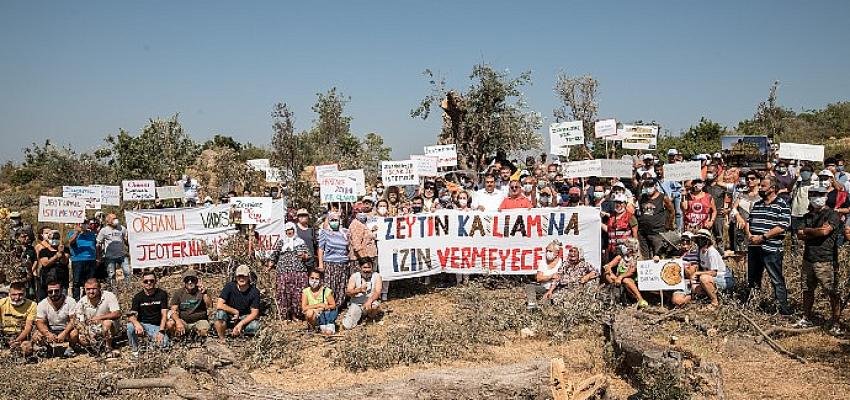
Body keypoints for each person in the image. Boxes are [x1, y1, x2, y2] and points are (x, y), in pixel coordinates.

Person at [794, 186, 842, 334]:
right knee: (807, 289)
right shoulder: (807, 217)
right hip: (808, 258)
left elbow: (825, 231)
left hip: (826, 260)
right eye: (814, 194)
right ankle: (806, 317)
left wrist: (809, 232)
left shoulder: (832, 214)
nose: (817, 197)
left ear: (826, 196)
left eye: (820, 194)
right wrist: (815, 232)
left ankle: (836, 321)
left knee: (831, 291)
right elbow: (799, 234)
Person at [745, 176, 792, 317]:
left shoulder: (782, 205)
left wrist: (763, 237)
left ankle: (782, 311)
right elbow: (749, 221)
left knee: (776, 279)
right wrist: (750, 235)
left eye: (763, 186)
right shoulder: (757, 204)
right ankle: (752, 305)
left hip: (771, 248)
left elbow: (782, 226)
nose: (760, 188)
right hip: (754, 247)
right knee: (753, 279)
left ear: (772, 188)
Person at [671, 229, 735, 308]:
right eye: (698, 239)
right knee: (679, 299)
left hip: (722, 278)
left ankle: (714, 302)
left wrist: (697, 273)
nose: (699, 241)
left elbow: (714, 272)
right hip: (708, 279)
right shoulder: (700, 251)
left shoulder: (711, 252)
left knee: (704, 278)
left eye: (702, 239)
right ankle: (699, 299)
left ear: (707, 241)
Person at [268, 222, 310, 320]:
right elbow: (274, 255)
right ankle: (285, 315)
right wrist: (269, 265)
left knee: (297, 293)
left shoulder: (300, 242)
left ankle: (296, 315)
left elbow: (308, 255)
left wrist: (304, 256)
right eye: (287, 230)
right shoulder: (282, 242)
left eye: (291, 229)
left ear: (294, 230)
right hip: (283, 271)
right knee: (283, 292)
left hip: (298, 272)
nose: (289, 231)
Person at [74, 278, 120, 357]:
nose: (91, 292)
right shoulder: (82, 301)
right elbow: (78, 319)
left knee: (107, 323)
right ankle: (95, 348)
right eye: (88, 289)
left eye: (94, 289)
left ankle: (108, 348)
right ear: (84, 289)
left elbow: (117, 313)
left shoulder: (109, 296)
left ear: (99, 288)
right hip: (92, 329)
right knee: (81, 338)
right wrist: (84, 331)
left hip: (109, 326)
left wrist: (100, 318)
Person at [127, 271, 169, 355]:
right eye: (146, 281)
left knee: (164, 344)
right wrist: (137, 324)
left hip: (157, 326)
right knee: (130, 326)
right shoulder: (137, 297)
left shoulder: (162, 294)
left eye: (151, 280)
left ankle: (150, 344)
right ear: (142, 283)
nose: (149, 283)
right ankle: (135, 350)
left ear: (155, 281)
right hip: (143, 325)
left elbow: (164, 314)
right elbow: (131, 315)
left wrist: (161, 331)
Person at [214, 265, 261, 339]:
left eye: (244, 276)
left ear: (248, 277)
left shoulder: (254, 291)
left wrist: (240, 324)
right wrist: (235, 311)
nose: (241, 278)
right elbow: (219, 304)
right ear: (235, 277)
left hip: (243, 317)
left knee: (255, 326)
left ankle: (238, 331)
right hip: (229, 317)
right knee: (220, 314)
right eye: (239, 276)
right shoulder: (229, 286)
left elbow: (254, 313)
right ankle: (222, 338)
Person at [33, 281, 78, 357]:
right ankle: (47, 348)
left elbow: (73, 320)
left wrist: (64, 333)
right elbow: (39, 322)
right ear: (47, 292)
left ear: (61, 290)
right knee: (36, 335)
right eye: (50, 291)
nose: (53, 293)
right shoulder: (42, 304)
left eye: (56, 291)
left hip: (66, 330)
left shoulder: (70, 301)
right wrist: (48, 334)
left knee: (75, 333)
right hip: (50, 330)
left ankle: (70, 349)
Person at [317, 211, 352, 308]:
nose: (334, 222)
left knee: (341, 286)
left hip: (343, 263)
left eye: (336, 220)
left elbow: (348, 247)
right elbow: (320, 249)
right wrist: (321, 264)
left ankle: (338, 306)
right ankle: (328, 306)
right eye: (332, 220)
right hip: (330, 263)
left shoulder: (345, 232)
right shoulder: (325, 233)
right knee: (329, 286)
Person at [602, 239, 648, 308]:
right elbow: (609, 265)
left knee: (625, 280)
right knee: (607, 275)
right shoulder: (621, 257)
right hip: (617, 279)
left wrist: (620, 277)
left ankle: (640, 299)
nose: (623, 247)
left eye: (626, 245)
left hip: (632, 280)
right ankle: (615, 294)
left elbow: (631, 271)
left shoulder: (637, 258)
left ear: (631, 248)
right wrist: (609, 269)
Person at [636, 179, 675, 259]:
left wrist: (669, 224)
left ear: (655, 186)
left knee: (658, 256)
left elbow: (672, 211)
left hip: (657, 232)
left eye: (650, 186)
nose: (648, 189)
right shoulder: (642, 198)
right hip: (643, 232)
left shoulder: (663, 198)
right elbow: (641, 211)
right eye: (646, 187)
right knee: (644, 257)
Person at [167, 269, 212, 338]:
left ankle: (197, 340)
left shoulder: (202, 291)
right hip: (184, 321)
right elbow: (173, 311)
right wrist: (178, 321)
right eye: (187, 280)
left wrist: (204, 293)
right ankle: (177, 339)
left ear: (196, 281)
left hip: (199, 320)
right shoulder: (178, 293)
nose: (190, 282)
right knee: (170, 323)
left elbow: (209, 306)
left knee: (204, 330)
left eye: (192, 280)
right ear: (184, 282)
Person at [342, 258, 383, 330]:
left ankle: (369, 316)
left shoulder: (377, 276)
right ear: (360, 267)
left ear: (372, 267)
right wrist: (359, 290)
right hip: (357, 303)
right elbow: (348, 292)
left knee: (374, 307)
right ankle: (359, 315)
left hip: (371, 302)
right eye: (364, 267)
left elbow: (377, 292)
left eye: (369, 267)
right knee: (347, 326)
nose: (367, 270)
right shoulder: (354, 276)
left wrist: (369, 301)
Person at [525, 240, 564, 309]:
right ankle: (532, 304)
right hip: (543, 287)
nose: (548, 253)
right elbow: (538, 278)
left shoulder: (561, 263)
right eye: (547, 251)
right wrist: (550, 276)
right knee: (529, 287)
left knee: (546, 304)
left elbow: (557, 279)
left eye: (550, 251)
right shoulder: (543, 262)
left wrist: (549, 291)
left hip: (554, 289)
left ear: (556, 253)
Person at [0, 282, 36, 357]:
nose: (17, 298)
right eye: (14, 294)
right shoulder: (2, 303)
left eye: (20, 294)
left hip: (20, 335)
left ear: (25, 294)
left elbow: (28, 328)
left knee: (27, 349)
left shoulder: (32, 305)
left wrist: (17, 340)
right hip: (4, 334)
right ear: (9, 294)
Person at [67, 219, 99, 300]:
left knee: (89, 282)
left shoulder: (92, 234)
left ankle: (87, 299)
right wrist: (77, 233)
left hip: (91, 260)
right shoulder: (71, 233)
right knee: (77, 282)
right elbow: (70, 242)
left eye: (85, 223)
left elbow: (96, 246)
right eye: (82, 223)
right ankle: (76, 300)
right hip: (78, 260)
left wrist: (98, 258)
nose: (84, 224)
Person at [97, 213, 130, 286]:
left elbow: (126, 240)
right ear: (108, 221)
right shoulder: (104, 230)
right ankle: (113, 290)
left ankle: (128, 288)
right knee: (111, 275)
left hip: (122, 255)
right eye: (113, 219)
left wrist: (130, 248)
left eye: (116, 218)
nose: (116, 220)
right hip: (110, 257)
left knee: (127, 272)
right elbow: (98, 243)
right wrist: (99, 256)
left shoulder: (122, 228)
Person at [37, 228, 70, 299]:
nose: (54, 239)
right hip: (47, 281)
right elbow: (45, 263)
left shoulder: (65, 249)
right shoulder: (43, 251)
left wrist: (62, 253)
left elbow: (65, 262)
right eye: (52, 238)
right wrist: (56, 256)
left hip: (62, 280)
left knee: (62, 299)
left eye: (56, 238)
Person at [605, 193, 638, 261]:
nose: (618, 204)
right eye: (616, 202)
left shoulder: (630, 216)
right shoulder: (611, 216)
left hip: (625, 251)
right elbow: (609, 231)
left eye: (620, 202)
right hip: (612, 251)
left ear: (625, 204)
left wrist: (634, 251)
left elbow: (635, 234)